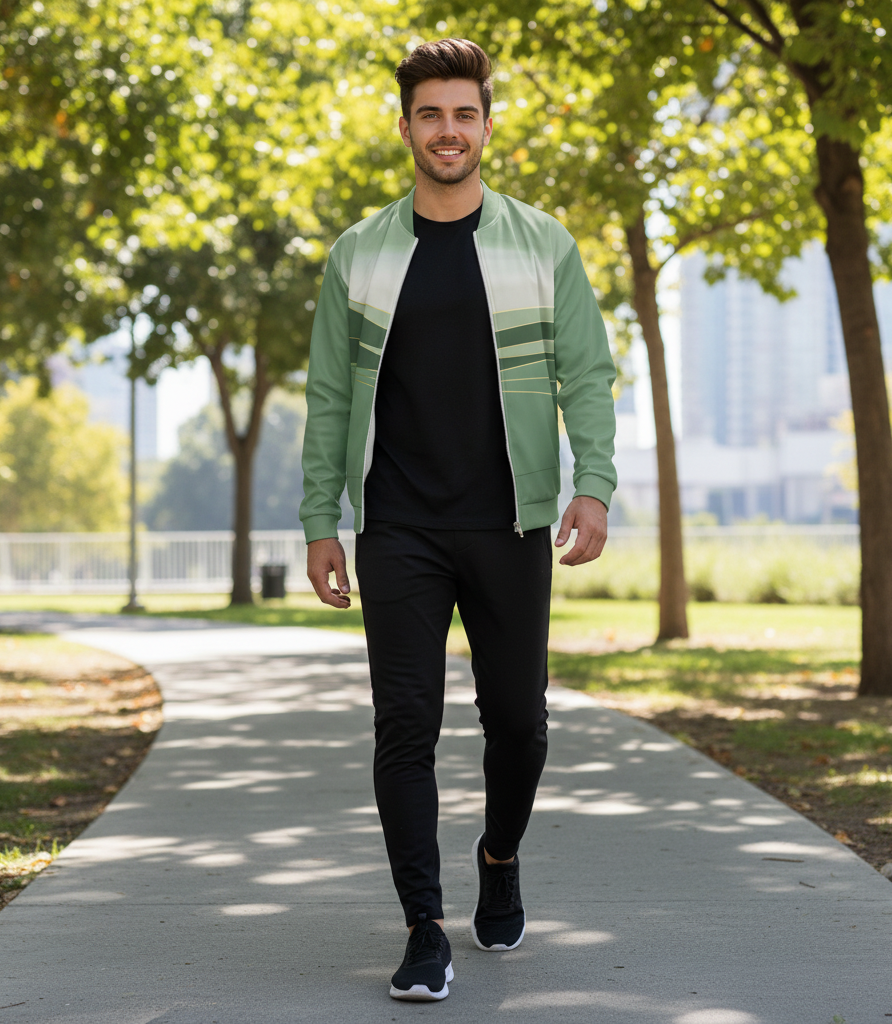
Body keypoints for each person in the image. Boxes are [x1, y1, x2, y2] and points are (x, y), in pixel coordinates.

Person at [299, 37, 617, 1003]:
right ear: (405, 126)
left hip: (509, 521)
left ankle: (500, 856)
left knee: (518, 725)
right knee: (406, 727)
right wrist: (322, 518)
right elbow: (324, 397)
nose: (448, 130)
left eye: (464, 113)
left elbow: (588, 375)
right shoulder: (360, 252)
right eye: (430, 114)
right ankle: (423, 929)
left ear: (487, 123)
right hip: (397, 525)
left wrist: (592, 484)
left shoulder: (541, 243)